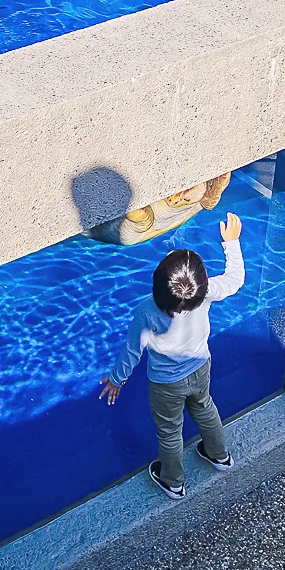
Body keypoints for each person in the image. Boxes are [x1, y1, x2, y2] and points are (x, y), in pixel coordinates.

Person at [99, 212, 245, 500]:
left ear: (156, 284)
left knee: (169, 431)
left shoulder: (146, 311)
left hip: (166, 383)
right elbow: (234, 279)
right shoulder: (205, 295)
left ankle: (173, 481)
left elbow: (132, 352)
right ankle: (219, 455)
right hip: (201, 366)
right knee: (205, 408)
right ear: (200, 285)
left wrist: (117, 380)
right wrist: (232, 243)